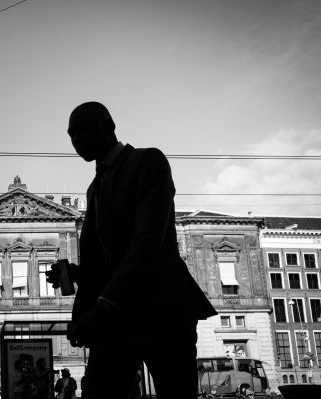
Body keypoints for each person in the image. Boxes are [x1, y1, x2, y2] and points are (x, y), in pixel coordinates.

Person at [50, 102, 217, 399]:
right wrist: (78, 274)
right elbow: (107, 258)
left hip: (160, 307)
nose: (76, 140)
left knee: (176, 393)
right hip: (119, 316)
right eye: (71, 135)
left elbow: (146, 243)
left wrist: (101, 306)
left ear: (109, 125)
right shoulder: (93, 187)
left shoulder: (148, 161)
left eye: (83, 129)